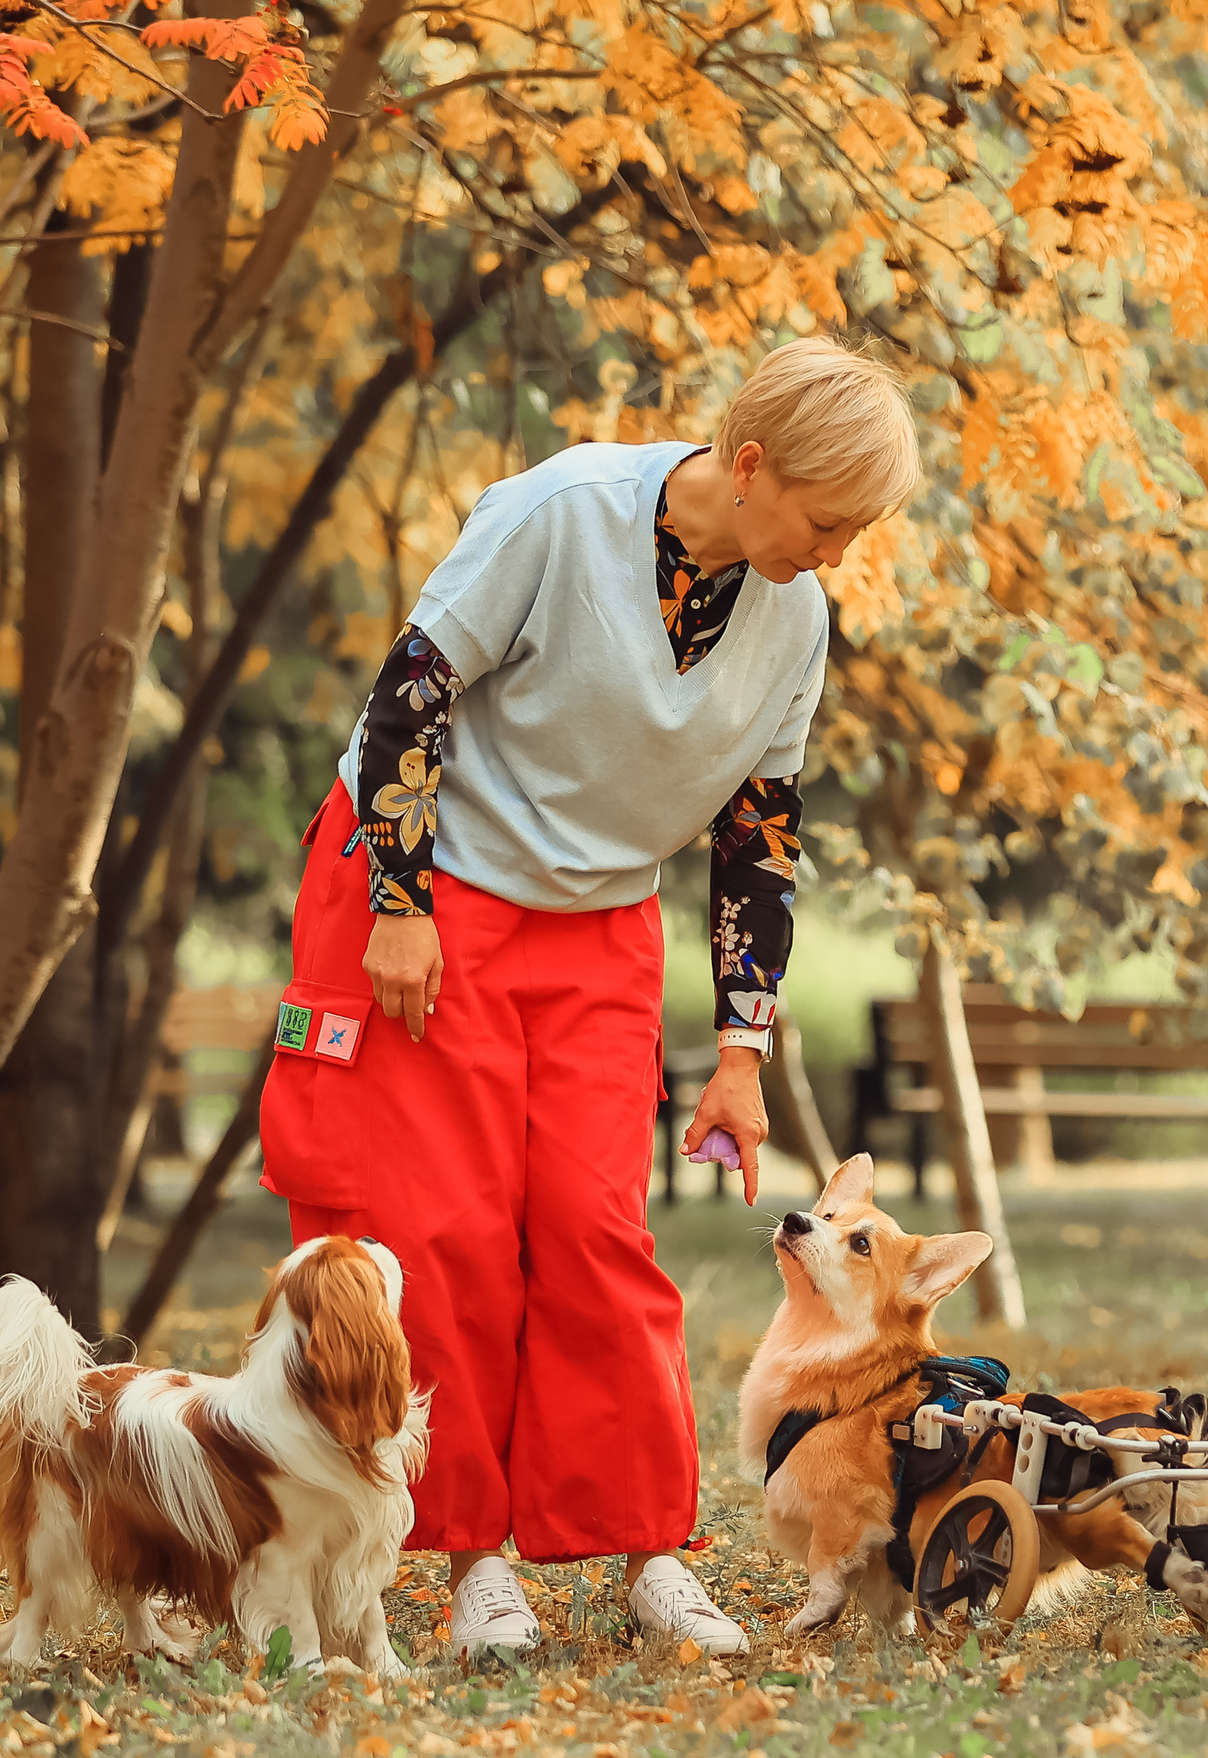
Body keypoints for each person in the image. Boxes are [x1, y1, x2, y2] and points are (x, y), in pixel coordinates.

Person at [258, 337, 922, 1658]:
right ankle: (471, 1565)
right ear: (750, 467)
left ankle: (648, 1554)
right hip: (424, 886)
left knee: (594, 1230)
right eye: (830, 519)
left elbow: (761, 837)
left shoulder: (794, 616)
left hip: (594, 918)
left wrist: (741, 1049)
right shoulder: (558, 516)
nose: (840, 553)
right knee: (439, 1238)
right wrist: (398, 902)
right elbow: (407, 703)